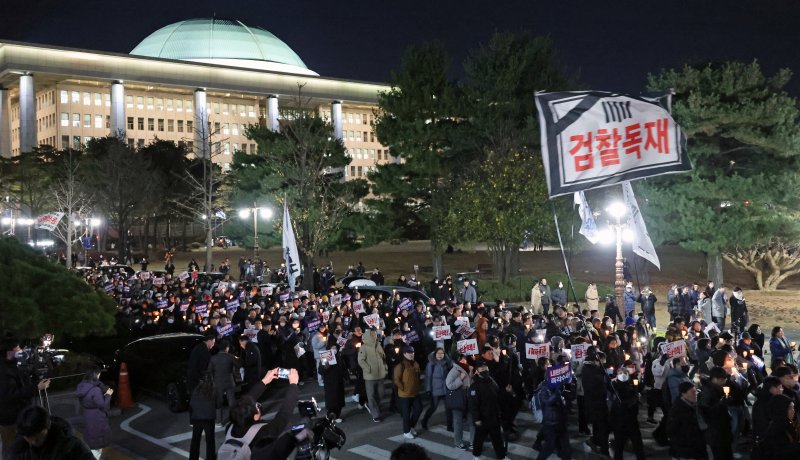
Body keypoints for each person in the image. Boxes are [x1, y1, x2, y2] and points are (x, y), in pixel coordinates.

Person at [225, 368, 308, 459]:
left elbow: (245, 401)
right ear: (256, 416)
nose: (258, 405)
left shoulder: (230, 427)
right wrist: (293, 385)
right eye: (257, 406)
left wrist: (265, 380)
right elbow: (283, 415)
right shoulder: (263, 433)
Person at [0, 338, 51, 459]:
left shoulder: (13, 364)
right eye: (18, 349)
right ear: (9, 352)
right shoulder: (2, 370)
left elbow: (23, 383)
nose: (21, 351)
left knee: (23, 447)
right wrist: (36, 388)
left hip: (21, 413)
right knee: (11, 448)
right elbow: (9, 395)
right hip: (9, 419)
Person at [8, 406, 93, 460]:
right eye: (28, 436)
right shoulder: (18, 449)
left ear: (48, 426)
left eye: (36, 435)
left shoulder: (72, 445)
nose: (33, 441)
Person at [468, 358, 509, 460]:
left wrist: (506, 392)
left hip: (494, 416)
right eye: (481, 368)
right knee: (479, 439)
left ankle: (501, 456)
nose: (484, 369)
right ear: (477, 371)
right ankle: (476, 456)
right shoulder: (474, 386)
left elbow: (498, 395)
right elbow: (473, 404)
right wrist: (476, 419)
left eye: (485, 367)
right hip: (482, 419)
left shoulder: (491, 381)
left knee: (497, 439)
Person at [75, 366, 112, 459]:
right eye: (99, 374)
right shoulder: (95, 390)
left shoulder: (82, 386)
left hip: (87, 415)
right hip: (97, 417)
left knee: (91, 438)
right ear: (96, 375)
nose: (100, 376)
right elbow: (103, 406)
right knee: (97, 444)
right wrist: (108, 395)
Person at [699, 366, 733, 460]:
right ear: (714, 379)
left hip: (722, 427)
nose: (724, 382)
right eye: (722, 379)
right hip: (715, 430)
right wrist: (721, 404)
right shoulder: (707, 391)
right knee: (719, 454)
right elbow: (706, 412)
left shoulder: (718, 388)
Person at [668, 381, 707, 459]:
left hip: (696, 447)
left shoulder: (695, 406)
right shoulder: (677, 410)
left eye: (696, 391)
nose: (695, 394)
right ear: (683, 394)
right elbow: (672, 431)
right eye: (692, 392)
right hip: (685, 450)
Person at [582, 350, 610, 456]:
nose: (604, 362)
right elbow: (593, 387)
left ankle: (595, 440)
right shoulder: (590, 371)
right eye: (603, 360)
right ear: (596, 360)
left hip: (597, 403)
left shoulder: (595, 369)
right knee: (602, 425)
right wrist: (603, 376)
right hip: (596, 403)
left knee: (598, 425)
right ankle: (603, 448)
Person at [535, 379, 571, 460]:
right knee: (548, 448)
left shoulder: (559, 385)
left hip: (561, 420)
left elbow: (569, 397)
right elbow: (547, 401)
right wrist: (557, 392)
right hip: (551, 422)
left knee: (566, 447)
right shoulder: (543, 387)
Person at [358, 328, 388, 422]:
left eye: (375, 334)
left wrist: (385, 367)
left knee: (381, 394)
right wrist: (368, 369)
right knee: (371, 396)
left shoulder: (378, 345)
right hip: (370, 376)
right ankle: (375, 414)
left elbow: (383, 357)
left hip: (380, 375)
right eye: (373, 335)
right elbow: (361, 360)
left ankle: (375, 407)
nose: (375, 336)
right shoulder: (364, 347)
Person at [393, 346, 423, 439]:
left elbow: (418, 376)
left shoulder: (415, 363)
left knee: (419, 409)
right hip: (404, 394)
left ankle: (411, 427)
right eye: (409, 353)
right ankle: (406, 432)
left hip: (415, 393)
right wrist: (403, 388)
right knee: (406, 413)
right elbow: (396, 379)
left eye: (412, 352)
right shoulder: (400, 366)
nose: (411, 354)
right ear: (404, 354)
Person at [445, 352, 472, 450]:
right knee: (458, 421)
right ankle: (458, 442)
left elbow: (470, 382)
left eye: (464, 358)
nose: (464, 360)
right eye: (462, 358)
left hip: (469, 396)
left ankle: (472, 442)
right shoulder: (455, 370)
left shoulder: (467, 368)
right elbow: (449, 385)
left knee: (472, 419)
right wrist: (460, 378)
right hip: (459, 397)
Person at [421, 347, 452, 430]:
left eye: (442, 353)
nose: (440, 355)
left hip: (445, 388)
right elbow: (428, 377)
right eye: (438, 353)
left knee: (448, 408)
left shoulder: (447, 362)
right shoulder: (431, 363)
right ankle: (424, 421)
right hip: (435, 389)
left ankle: (450, 426)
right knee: (433, 407)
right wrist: (428, 389)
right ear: (435, 354)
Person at [207, 339, 237, 424]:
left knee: (219, 402)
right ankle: (233, 419)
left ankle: (219, 421)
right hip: (229, 382)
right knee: (232, 402)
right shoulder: (230, 356)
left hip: (218, 383)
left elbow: (209, 371)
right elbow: (239, 364)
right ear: (227, 348)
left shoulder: (213, 358)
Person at [761, 394, 800, 458]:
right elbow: (781, 452)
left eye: (793, 407)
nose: (793, 411)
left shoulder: (787, 423)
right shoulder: (775, 430)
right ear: (781, 409)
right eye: (790, 408)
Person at [188, 372, 216, 460]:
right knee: (210, 441)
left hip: (197, 418)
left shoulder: (196, 390)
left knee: (195, 440)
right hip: (209, 419)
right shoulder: (214, 390)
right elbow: (219, 404)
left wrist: (191, 420)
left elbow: (191, 405)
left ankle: (193, 458)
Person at [318, 345, 345, 422]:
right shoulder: (325, 357)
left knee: (339, 400)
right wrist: (325, 367)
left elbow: (343, 367)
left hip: (339, 381)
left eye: (335, 348)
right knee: (332, 401)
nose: (334, 350)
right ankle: (330, 416)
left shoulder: (339, 356)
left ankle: (337, 415)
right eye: (332, 348)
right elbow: (320, 371)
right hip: (330, 382)